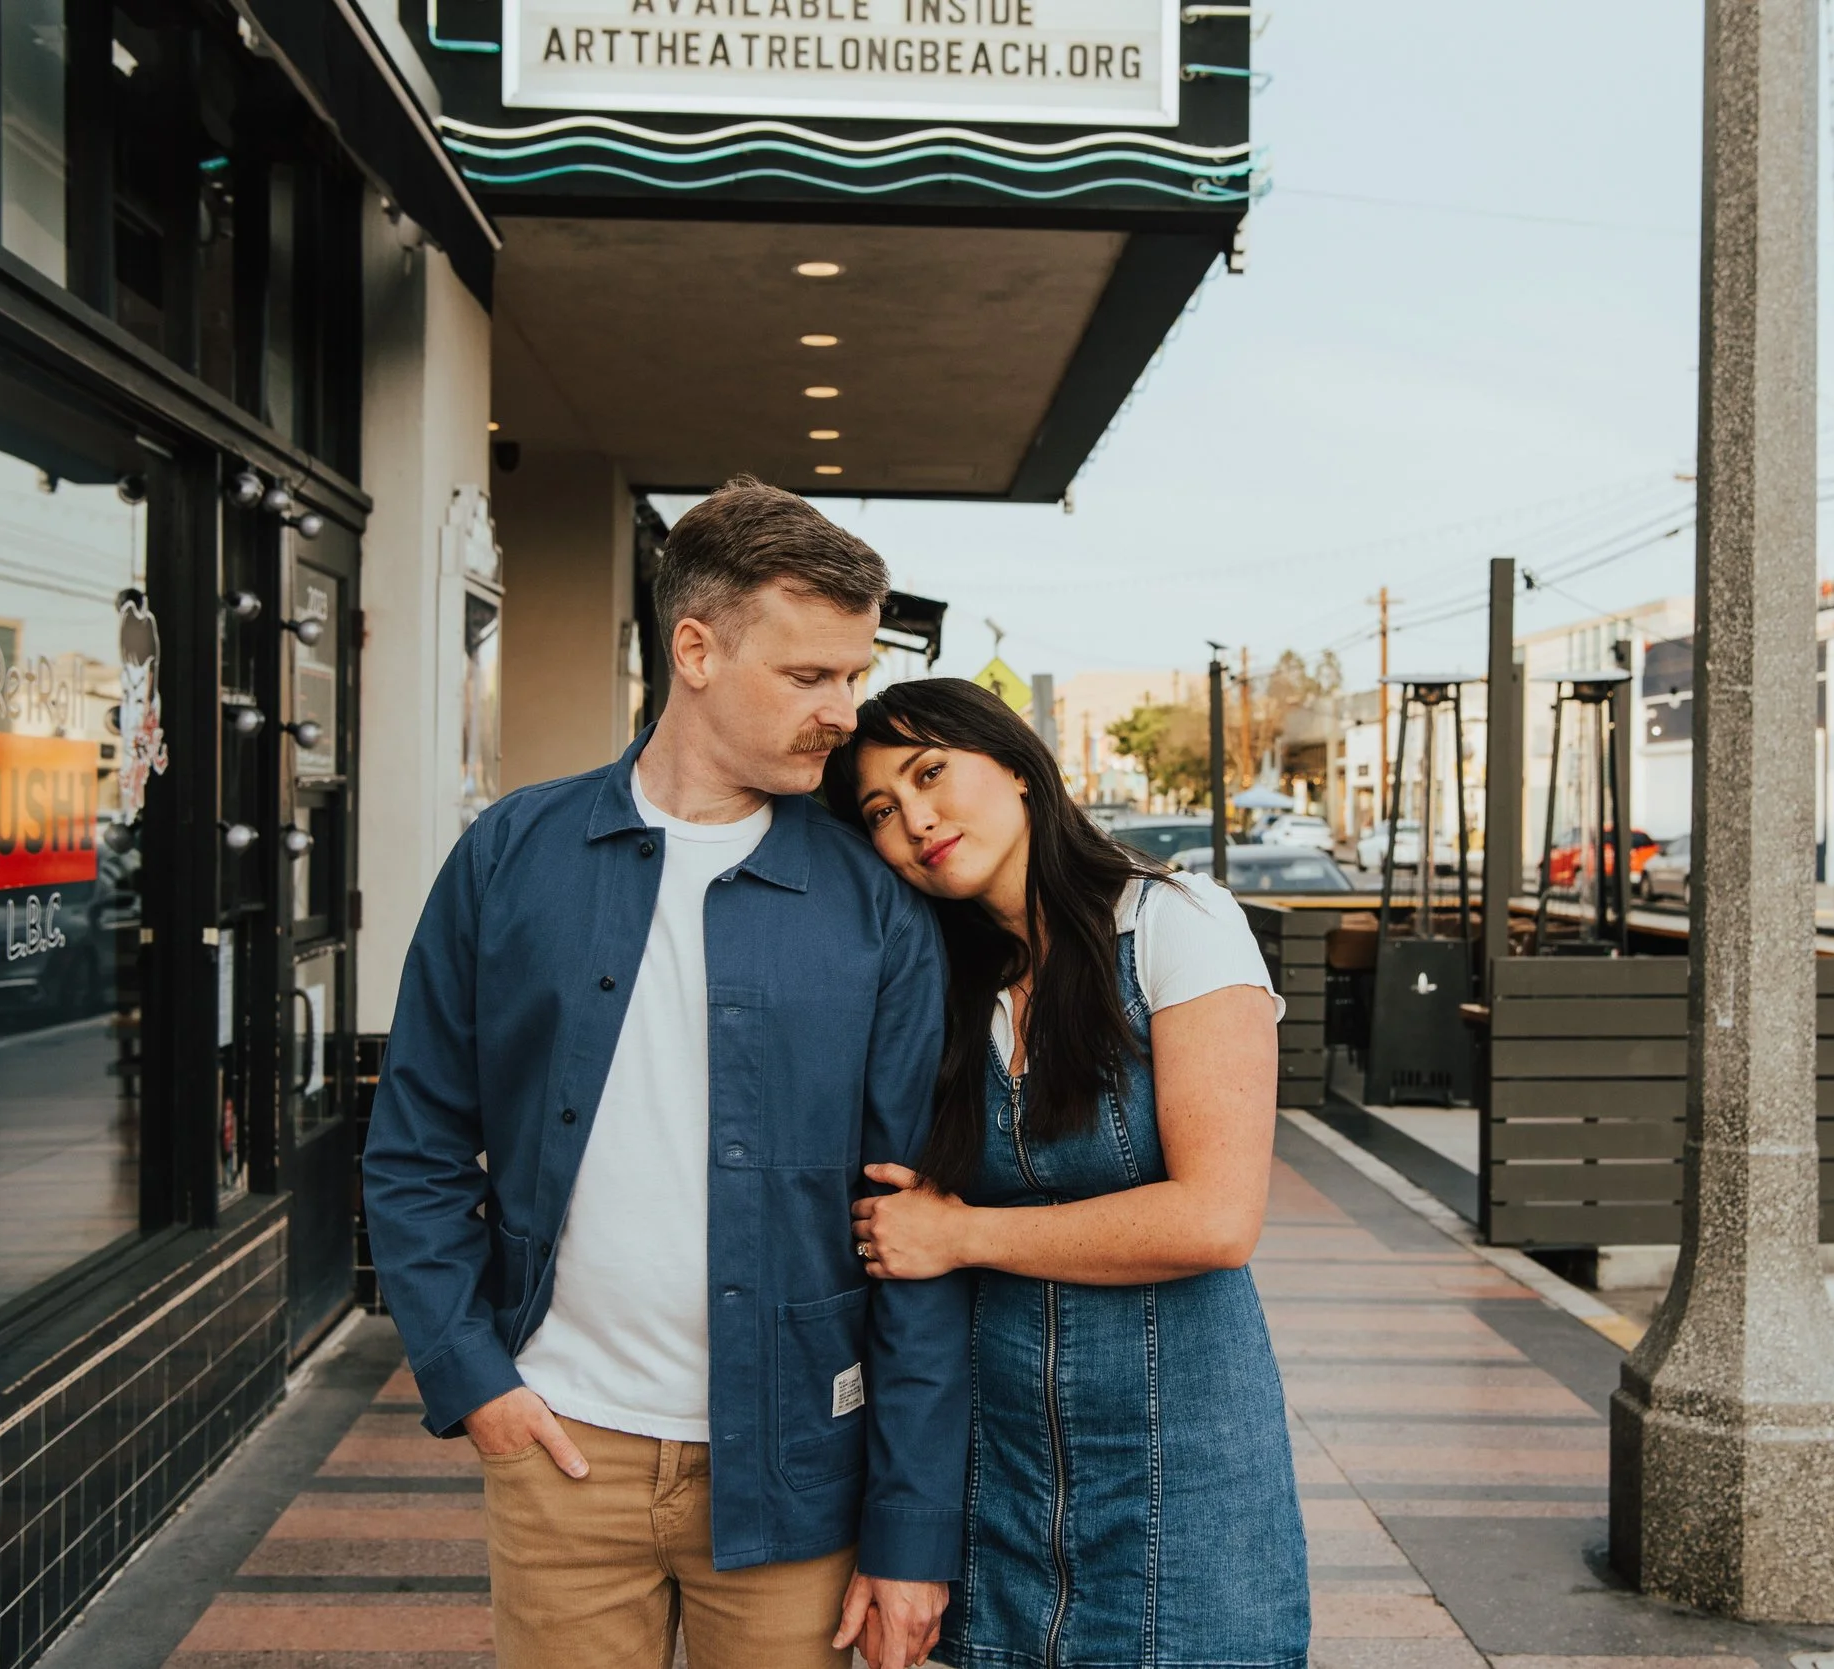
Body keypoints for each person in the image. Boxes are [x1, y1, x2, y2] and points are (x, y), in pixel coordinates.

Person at [364, 478, 965, 1669]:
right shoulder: (510, 855)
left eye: (854, 675)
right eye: (809, 677)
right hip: (561, 1448)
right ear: (694, 648)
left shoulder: (877, 906)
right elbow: (417, 1143)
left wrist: (910, 1530)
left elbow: (916, 1229)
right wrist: (472, 1377)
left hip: (801, 1463)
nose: (844, 711)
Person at [823, 677, 1311, 1669]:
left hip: (1185, 1480)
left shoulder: (1176, 922)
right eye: (879, 811)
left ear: (1013, 763)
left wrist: (961, 1233)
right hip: (1000, 1482)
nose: (915, 818)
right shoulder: (946, 985)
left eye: (929, 773)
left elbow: (1217, 1217)